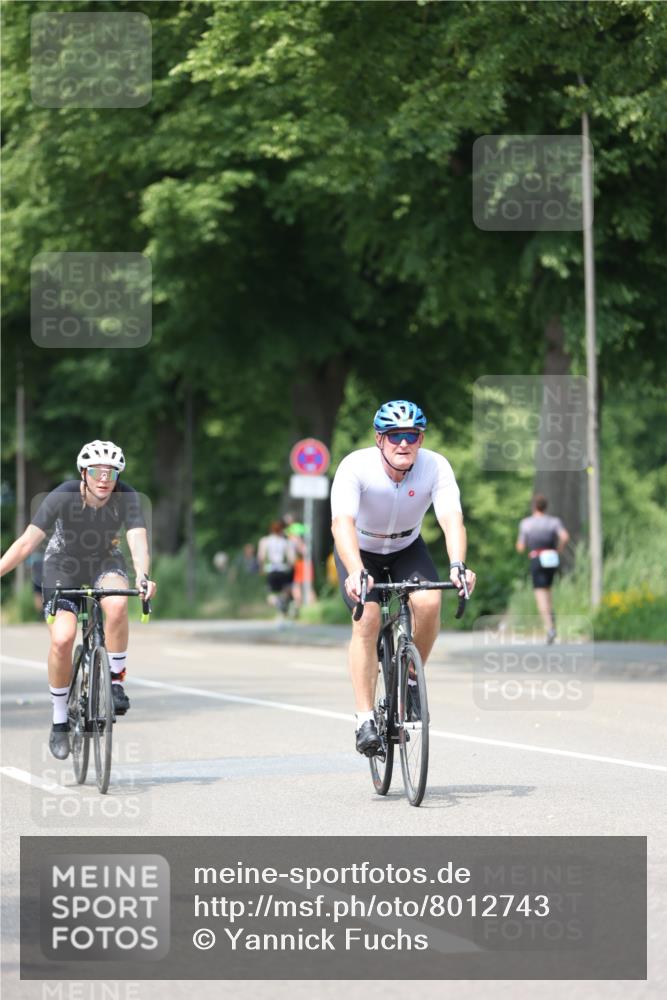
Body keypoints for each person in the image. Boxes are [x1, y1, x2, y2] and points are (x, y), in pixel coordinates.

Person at [330, 399, 476, 756]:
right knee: (369, 617)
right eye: (394, 435)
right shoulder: (355, 467)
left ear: (421, 439)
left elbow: (451, 519)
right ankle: (364, 718)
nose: (403, 443)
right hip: (360, 549)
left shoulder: (435, 467)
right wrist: (355, 571)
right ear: (380, 439)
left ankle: (411, 678)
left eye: (411, 435)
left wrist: (458, 564)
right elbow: (341, 524)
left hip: (406, 546)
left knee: (428, 601)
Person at [0, 440, 157, 759]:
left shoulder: (126, 496)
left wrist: (142, 576)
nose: (104, 478)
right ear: (83, 473)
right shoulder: (64, 495)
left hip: (104, 560)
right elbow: (27, 543)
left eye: (111, 472)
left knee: (115, 603)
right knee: (63, 638)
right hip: (63, 563)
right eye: (97, 471)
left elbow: (137, 539)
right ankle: (59, 721)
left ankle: (115, 681)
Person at [516, 494, 569, 643]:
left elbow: (520, 547)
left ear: (533, 506)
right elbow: (564, 537)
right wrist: (558, 549)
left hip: (537, 558)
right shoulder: (554, 522)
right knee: (548, 592)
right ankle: (552, 624)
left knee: (540, 596)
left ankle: (550, 628)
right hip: (551, 558)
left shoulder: (526, 523)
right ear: (546, 507)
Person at [257, 520, 294, 617]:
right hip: (282, 568)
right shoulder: (285, 541)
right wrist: (289, 567)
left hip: (271, 569)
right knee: (286, 590)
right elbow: (291, 558)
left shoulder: (265, 541)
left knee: (270, 594)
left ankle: (277, 603)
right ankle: (282, 604)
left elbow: (261, 556)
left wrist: (261, 568)